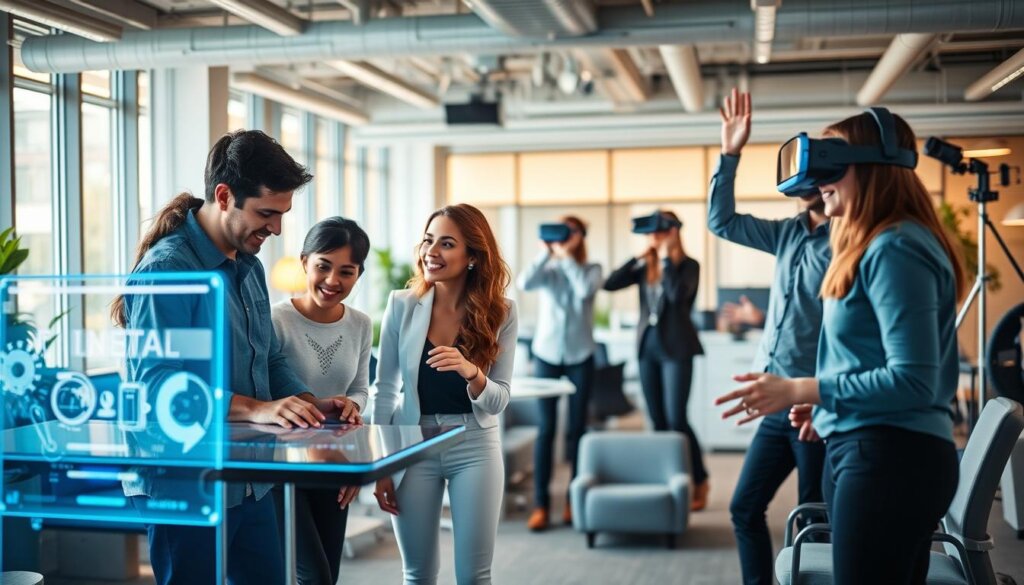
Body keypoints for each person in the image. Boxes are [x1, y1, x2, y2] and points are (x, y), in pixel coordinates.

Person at [716, 109, 966, 584]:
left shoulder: (895, 247)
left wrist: (801, 390)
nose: (817, 184)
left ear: (873, 166)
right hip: (872, 446)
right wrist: (830, 406)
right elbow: (872, 361)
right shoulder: (877, 245)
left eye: (831, 169)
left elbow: (913, 380)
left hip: (890, 458)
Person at [112, 130, 360, 585]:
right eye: (266, 213)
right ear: (224, 196)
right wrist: (260, 409)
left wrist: (308, 403)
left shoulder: (250, 268)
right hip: (186, 479)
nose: (277, 229)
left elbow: (267, 361)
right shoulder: (169, 271)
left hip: (249, 476)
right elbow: (158, 387)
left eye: (282, 214)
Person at [709, 88, 829, 585]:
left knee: (814, 521)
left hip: (815, 405)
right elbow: (722, 221)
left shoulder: (849, 243)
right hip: (773, 402)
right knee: (743, 508)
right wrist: (730, 153)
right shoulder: (788, 233)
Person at [371, 204, 517, 585]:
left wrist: (473, 373)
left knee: (474, 576)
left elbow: (500, 399)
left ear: (472, 257)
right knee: (417, 574)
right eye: (428, 240)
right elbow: (384, 391)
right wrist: (382, 464)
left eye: (447, 243)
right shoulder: (401, 306)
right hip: (413, 444)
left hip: (475, 445)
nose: (431, 252)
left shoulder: (501, 312)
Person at [270, 217, 372, 585]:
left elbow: (361, 388)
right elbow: (264, 391)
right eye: (323, 267)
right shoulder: (275, 320)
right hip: (282, 465)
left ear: (358, 275)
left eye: (346, 271)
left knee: (328, 572)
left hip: (334, 460)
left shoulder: (360, 324)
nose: (333, 281)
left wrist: (353, 405)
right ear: (304, 263)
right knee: (312, 575)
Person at [603, 210, 709, 511]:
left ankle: (699, 479)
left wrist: (665, 259)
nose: (654, 237)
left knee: (676, 419)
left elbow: (677, 297)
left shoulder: (688, 266)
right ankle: (670, 480)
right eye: (651, 232)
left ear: (674, 231)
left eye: (661, 231)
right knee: (657, 420)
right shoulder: (644, 265)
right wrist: (641, 257)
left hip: (677, 349)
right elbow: (610, 283)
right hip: (648, 349)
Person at [517, 215, 602, 531]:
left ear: (581, 236)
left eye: (571, 232)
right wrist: (545, 251)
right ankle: (541, 504)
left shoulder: (592, 270)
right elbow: (524, 283)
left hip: (582, 356)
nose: (564, 237)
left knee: (577, 429)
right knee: (546, 428)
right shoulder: (548, 270)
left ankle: (572, 500)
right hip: (547, 355)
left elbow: (583, 291)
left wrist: (567, 256)